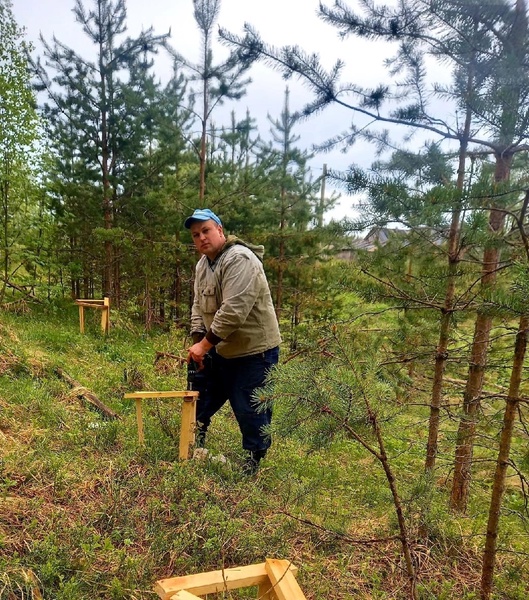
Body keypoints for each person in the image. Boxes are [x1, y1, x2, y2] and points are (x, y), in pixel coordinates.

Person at [185, 208, 281, 475]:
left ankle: (254, 461)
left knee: (251, 409)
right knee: (200, 397)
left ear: (219, 229)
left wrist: (204, 345)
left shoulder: (240, 259)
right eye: (196, 235)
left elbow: (234, 311)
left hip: (253, 352)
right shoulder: (203, 265)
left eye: (206, 230)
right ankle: (194, 442)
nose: (201, 237)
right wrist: (198, 346)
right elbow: (197, 306)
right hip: (219, 348)